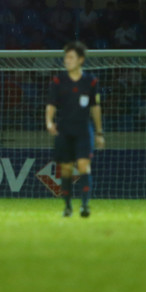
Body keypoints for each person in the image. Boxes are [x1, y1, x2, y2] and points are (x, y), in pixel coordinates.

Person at [45, 41, 104, 218]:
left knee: (84, 165)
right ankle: (68, 206)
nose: (67, 60)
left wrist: (99, 132)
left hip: (83, 130)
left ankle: (85, 206)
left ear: (81, 60)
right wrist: (49, 122)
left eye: (71, 57)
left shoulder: (91, 81)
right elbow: (51, 104)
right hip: (64, 130)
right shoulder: (58, 81)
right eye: (66, 57)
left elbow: (95, 107)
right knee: (66, 170)